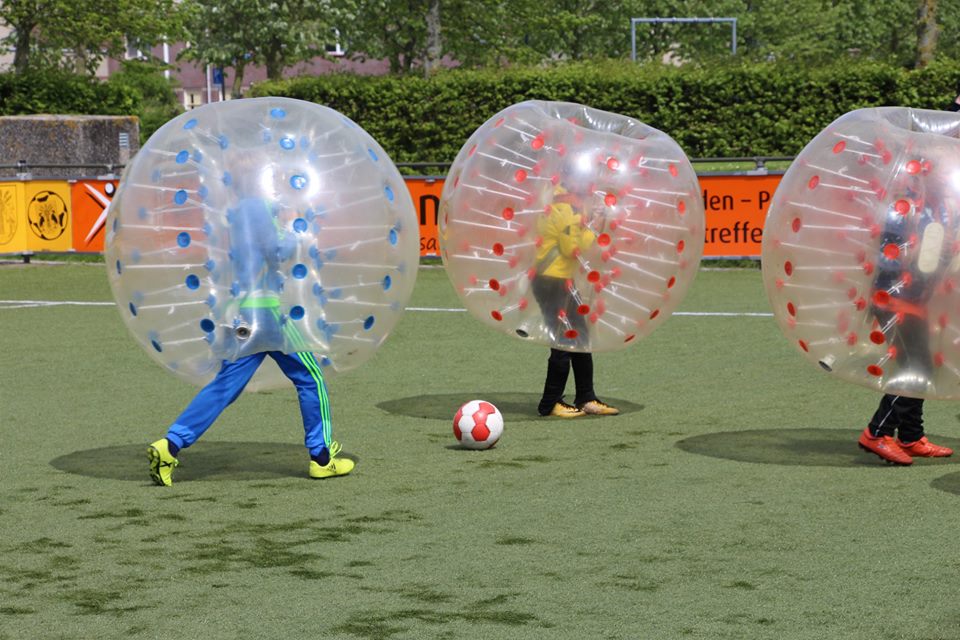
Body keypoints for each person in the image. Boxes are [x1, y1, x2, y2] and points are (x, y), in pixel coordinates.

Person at [147, 193, 354, 486]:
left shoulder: (238, 206)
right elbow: (275, 250)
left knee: (223, 388)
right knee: (312, 379)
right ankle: (321, 459)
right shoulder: (257, 205)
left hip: (243, 311)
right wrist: (299, 231)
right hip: (269, 314)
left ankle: (169, 446)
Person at [857, 102, 958, 464]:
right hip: (899, 291)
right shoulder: (917, 197)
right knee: (916, 365)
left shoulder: (934, 198)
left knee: (920, 359)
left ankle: (912, 435)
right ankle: (878, 432)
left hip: (915, 289)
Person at [530, 182, 619, 418]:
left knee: (580, 336)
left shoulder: (559, 204)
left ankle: (586, 397)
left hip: (558, 280)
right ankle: (550, 403)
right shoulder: (566, 209)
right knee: (563, 341)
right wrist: (597, 225)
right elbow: (573, 249)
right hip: (552, 282)